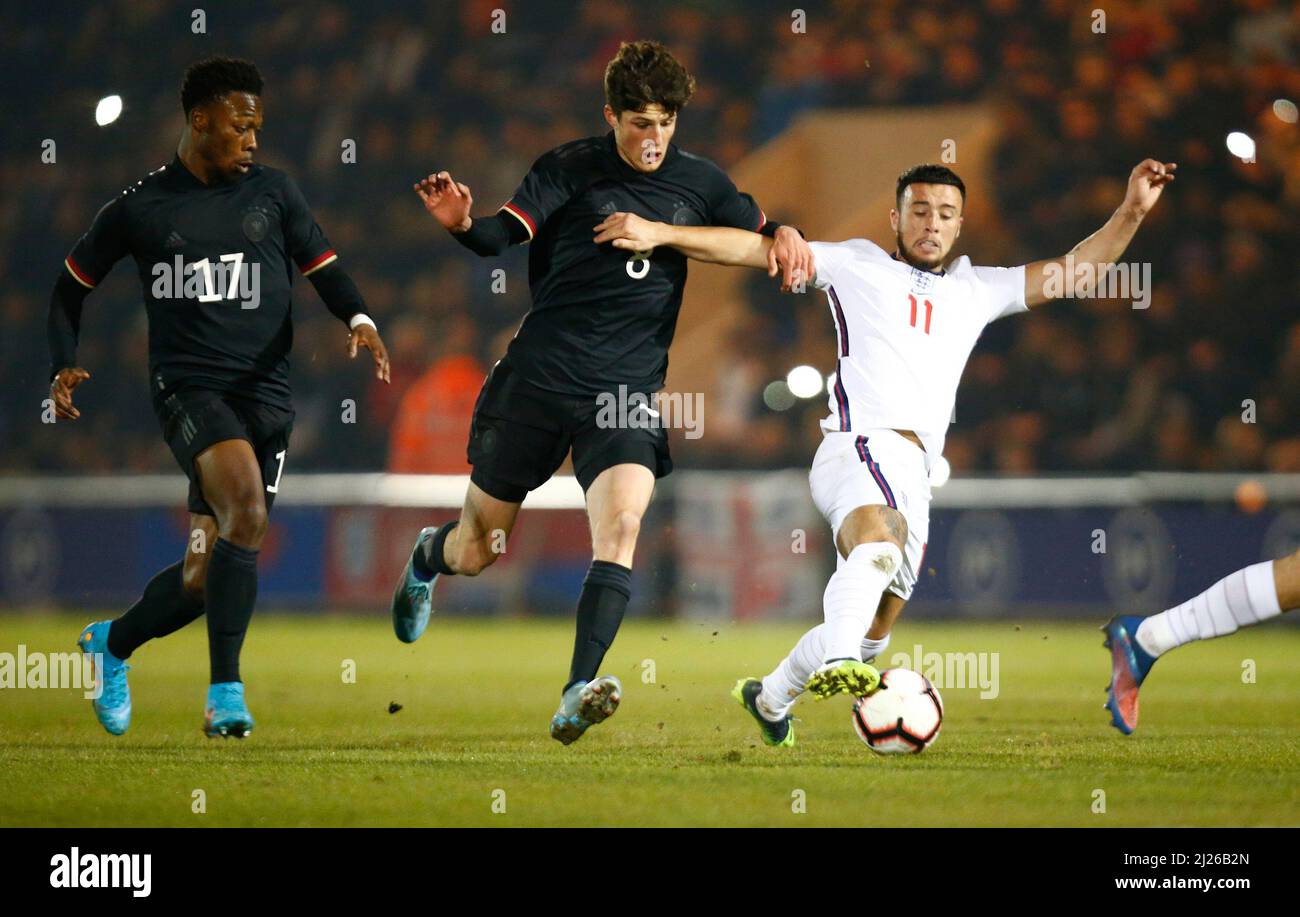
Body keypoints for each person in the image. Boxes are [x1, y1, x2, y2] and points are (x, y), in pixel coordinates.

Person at [597, 158, 1175, 745]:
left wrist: (1130, 210)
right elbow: (749, 249)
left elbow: (1077, 272)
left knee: (876, 629)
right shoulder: (855, 264)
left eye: (945, 214)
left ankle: (770, 697)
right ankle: (840, 658)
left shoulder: (978, 289)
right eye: (920, 210)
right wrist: (663, 233)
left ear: (959, 225)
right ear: (895, 218)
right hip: (858, 446)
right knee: (876, 545)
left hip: (915, 472)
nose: (932, 223)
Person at [392, 40, 813, 745]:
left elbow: (760, 237)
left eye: (666, 122)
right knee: (480, 548)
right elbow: (501, 234)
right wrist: (464, 224)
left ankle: (574, 689)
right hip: (539, 378)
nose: (653, 138)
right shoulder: (568, 169)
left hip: (624, 392)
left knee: (621, 528)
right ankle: (428, 556)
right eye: (639, 122)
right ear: (611, 115)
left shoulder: (700, 183)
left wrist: (781, 231)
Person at [52, 56, 390, 738]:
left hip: (267, 395)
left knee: (208, 575)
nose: (253, 139)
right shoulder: (140, 208)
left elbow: (324, 267)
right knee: (247, 507)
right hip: (189, 388)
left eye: (257, 126)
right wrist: (64, 364)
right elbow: (69, 287)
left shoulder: (275, 194)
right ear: (199, 121)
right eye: (241, 125)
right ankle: (226, 694)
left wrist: (358, 319)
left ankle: (111, 644)